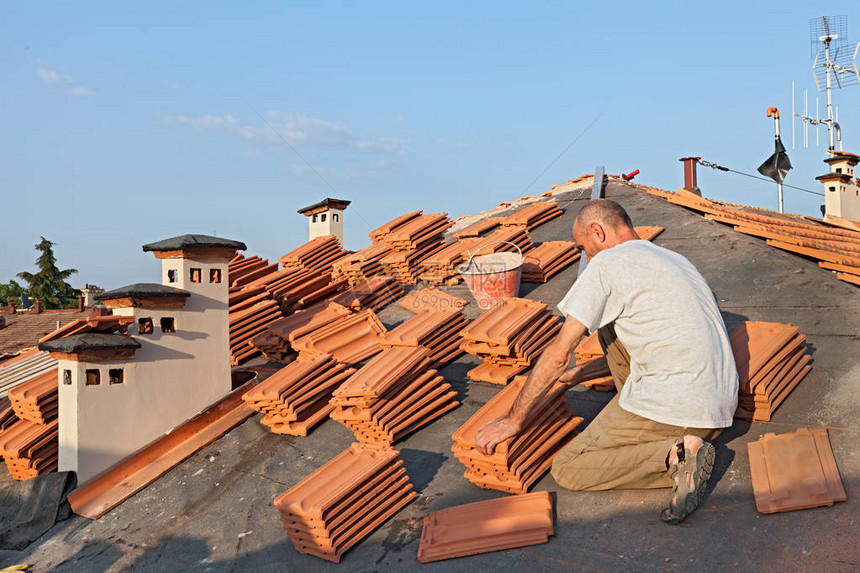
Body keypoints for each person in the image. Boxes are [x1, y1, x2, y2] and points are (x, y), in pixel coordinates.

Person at [474, 199, 738, 524]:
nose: (586, 257)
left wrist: (513, 420)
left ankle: (676, 455)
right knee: (609, 322)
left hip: (676, 411)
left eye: (584, 248)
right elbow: (654, 341)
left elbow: (558, 353)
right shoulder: (675, 260)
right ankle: (672, 437)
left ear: (597, 232)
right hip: (720, 408)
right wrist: (574, 376)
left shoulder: (608, 263)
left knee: (568, 468)